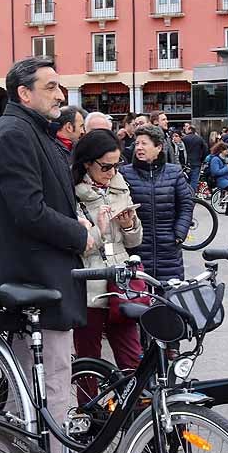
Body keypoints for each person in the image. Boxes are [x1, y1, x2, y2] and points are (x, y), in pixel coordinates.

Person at [0, 58, 92, 453]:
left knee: (26, 384)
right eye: (50, 87)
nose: (60, 95)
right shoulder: (14, 134)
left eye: (59, 87)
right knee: (54, 385)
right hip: (35, 277)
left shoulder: (30, 131)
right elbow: (28, 211)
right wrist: (79, 234)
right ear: (24, 93)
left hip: (39, 276)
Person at [71, 130, 143, 371]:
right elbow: (76, 244)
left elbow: (134, 241)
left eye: (117, 165)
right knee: (88, 360)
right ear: (87, 163)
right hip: (89, 281)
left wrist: (129, 224)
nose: (112, 173)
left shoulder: (120, 185)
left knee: (132, 358)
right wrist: (99, 231)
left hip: (122, 281)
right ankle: (88, 409)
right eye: (106, 167)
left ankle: (134, 407)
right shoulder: (72, 194)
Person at [120, 125, 194, 283]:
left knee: (169, 297)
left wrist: (179, 234)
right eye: (137, 143)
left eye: (144, 143)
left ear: (158, 147)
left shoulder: (174, 172)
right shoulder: (125, 173)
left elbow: (186, 205)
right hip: (137, 247)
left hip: (169, 248)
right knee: (139, 298)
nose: (139, 147)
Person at [182, 125, 208, 191]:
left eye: (187, 129)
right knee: (194, 180)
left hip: (186, 163)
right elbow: (205, 149)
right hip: (197, 162)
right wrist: (202, 159)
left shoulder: (184, 139)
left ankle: (186, 193)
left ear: (190, 130)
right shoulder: (199, 139)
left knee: (186, 179)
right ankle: (192, 194)